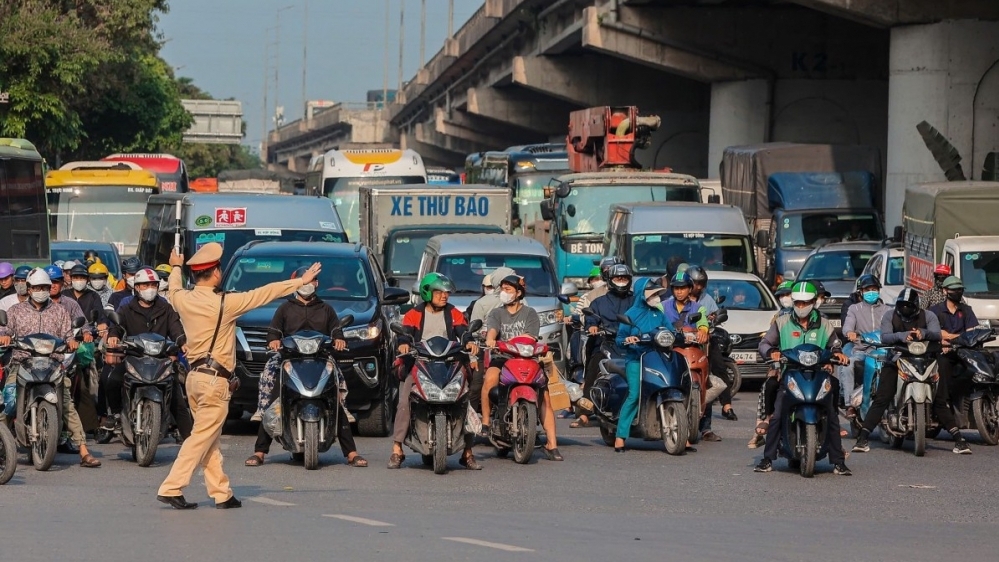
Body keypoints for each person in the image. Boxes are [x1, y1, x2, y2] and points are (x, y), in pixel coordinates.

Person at [156, 243, 321, 510]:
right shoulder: (225, 303)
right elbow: (264, 294)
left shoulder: (183, 299)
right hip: (215, 381)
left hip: (194, 378)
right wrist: (300, 281)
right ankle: (172, 487)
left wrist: (176, 265)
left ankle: (221, 493)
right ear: (216, 273)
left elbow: (173, 288)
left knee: (208, 438)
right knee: (201, 438)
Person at [245, 267, 366, 468]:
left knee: (335, 398)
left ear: (317, 284)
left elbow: (337, 332)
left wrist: (338, 340)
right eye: (305, 281)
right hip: (288, 359)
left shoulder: (326, 309)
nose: (309, 285)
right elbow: (273, 333)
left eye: (313, 281)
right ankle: (259, 451)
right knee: (273, 399)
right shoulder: (284, 309)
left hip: (320, 359)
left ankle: (351, 452)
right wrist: (274, 341)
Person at [0, 268, 101, 467]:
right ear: (28, 289)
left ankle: (83, 451)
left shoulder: (60, 311)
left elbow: (68, 335)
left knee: (67, 405)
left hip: (52, 365)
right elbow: (5, 329)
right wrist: (4, 336)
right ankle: (3, 447)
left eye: (45, 287)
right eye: (37, 287)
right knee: (8, 403)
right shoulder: (15, 311)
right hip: (22, 363)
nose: (42, 290)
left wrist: (72, 342)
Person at [851, 288, 968, 453]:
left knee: (940, 399)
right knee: (882, 397)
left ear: (916, 306)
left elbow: (937, 335)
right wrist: (902, 335)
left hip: (926, 360)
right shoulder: (889, 315)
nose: (905, 310)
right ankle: (863, 438)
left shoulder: (929, 316)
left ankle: (958, 439)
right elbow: (885, 337)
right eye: (902, 306)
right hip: (897, 359)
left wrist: (924, 333)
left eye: (909, 306)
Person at [754, 281, 852, 475]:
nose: (800, 307)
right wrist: (771, 353)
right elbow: (764, 343)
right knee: (778, 413)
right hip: (790, 374)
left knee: (831, 415)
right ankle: (767, 458)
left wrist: (838, 353)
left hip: (818, 374)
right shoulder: (782, 322)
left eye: (805, 303)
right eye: (797, 303)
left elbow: (835, 344)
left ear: (814, 302)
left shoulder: (824, 324)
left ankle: (838, 461)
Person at [387, 273, 480, 470]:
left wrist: (469, 341)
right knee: (404, 400)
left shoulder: (454, 312)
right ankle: (397, 449)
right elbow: (405, 334)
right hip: (420, 363)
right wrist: (403, 345)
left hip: (450, 364)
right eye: (439, 292)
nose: (444, 296)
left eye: (446, 292)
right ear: (427, 293)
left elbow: (464, 331)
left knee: (466, 401)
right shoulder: (414, 314)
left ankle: (467, 452)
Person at [104, 267, 193, 442]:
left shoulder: (165, 308)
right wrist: (114, 336)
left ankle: (191, 440)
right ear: (137, 288)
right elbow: (117, 326)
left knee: (177, 396)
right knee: (111, 379)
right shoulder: (126, 307)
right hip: (133, 357)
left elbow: (176, 328)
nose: (150, 288)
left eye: (153, 284)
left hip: (160, 360)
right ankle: (115, 415)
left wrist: (182, 342)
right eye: (145, 285)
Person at [481, 274, 562, 461]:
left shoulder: (530, 313)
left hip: (527, 358)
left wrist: (518, 343)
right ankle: (485, 422)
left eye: (508, 289)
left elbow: (531, 337)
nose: (504, 293)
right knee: (490, 379)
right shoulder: (496, 313)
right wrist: (491, 339)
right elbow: (492, 330)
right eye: (502, 289)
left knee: (545, 397)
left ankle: (552, 444)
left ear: (519, 293)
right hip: (502, 357)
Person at [614, 277, 673, 452]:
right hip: (636, 359)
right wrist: (628, 339)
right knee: (635, 395)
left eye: (657, 293)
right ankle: (620, 436)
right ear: (642, 294)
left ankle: (681, 435)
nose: (656, 296)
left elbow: (671, 330)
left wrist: (682, 335)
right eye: (652, 293)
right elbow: (619, 339)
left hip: (658, 358)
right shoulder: (631, 314)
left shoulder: (659, 314)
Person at [571, 263, 633, 428]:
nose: (621, 281)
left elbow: (644, 318)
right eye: (618, 278)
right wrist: (592, 326)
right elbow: (591, 317)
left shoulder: (636, 301)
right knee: (593, 365)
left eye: (624, 278)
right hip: (605, 343)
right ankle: (584, 413)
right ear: (610, 280)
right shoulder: (598, 301)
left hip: (631, 344)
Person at [926, 277, 976, 453]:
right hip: (942, 354)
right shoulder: (934, 311)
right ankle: (943, 404)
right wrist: (957, 337)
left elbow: (972, 334)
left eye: (960, 289)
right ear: (945, 291)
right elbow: (938, 334)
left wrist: (951, 337)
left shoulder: (967, 310)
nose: (958, 292)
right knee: (943, 371)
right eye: (954, 289)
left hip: (962, 353)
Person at [686, 266, 737, 436]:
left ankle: (709, 424)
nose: (698, 287)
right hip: (684, 343)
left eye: (701, 284)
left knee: (709, 377)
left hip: (705, 342)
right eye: (695, 283)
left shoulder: (706, 300)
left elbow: (713, 315)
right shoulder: (673, 303)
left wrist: (710, 321)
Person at [747, 280, 796, 449]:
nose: (785, 298)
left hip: (809, 367)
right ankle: (765, 422)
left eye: (788, 294)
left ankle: (835, 444)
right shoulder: (779, 319)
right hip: (784, 366)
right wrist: (774, 361)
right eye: (781, 295)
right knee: (768, 387)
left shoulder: (817, 318)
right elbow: (769, 343)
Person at [840, 274, 890, 420]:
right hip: (862, 350)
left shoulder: (887, 310)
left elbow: (894, 327)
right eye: (868, 289)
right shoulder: (854, 309)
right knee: (848, 366)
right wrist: (850, 332)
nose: (871, 292)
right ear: (861, 292)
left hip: (884, 351)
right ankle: (850, 404)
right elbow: (848, 326)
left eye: (874, 289)